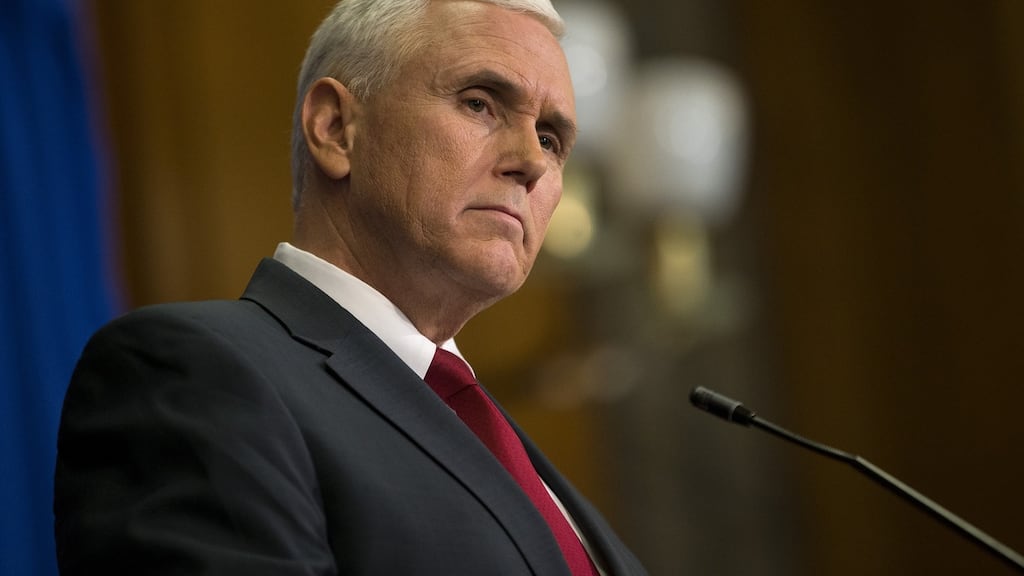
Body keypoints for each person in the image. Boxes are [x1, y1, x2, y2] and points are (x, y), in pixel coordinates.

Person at [54, 0, 648, 574]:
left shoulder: (530, 468)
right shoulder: (193, 373)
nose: (533, 162)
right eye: (480, 104)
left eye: (550, 138)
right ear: (335, 128)